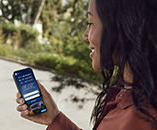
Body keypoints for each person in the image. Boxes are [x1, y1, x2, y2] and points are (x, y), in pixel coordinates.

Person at [16, 0, 157, 129]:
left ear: (121, 27)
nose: (85, 35)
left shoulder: (140, 119)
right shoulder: (126, 96)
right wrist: (55, 118)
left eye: (90, 23)